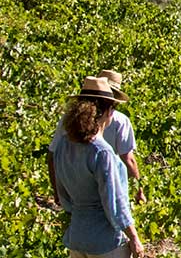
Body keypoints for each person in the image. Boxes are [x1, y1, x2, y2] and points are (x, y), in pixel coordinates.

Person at [48, 76, 142, 258]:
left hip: (76, 238)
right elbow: (115, 204)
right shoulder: (102, 152)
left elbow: (63, 195)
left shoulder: (63, 146)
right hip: (106, 242)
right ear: (108, 111)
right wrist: (134, 238)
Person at [51, 70, 142, 202]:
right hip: (107, 187)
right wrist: (139, 191)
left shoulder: (69, 119)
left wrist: (58, 192)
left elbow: (53, 155)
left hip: (74, 190)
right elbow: (129, 160)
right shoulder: (120, 122)